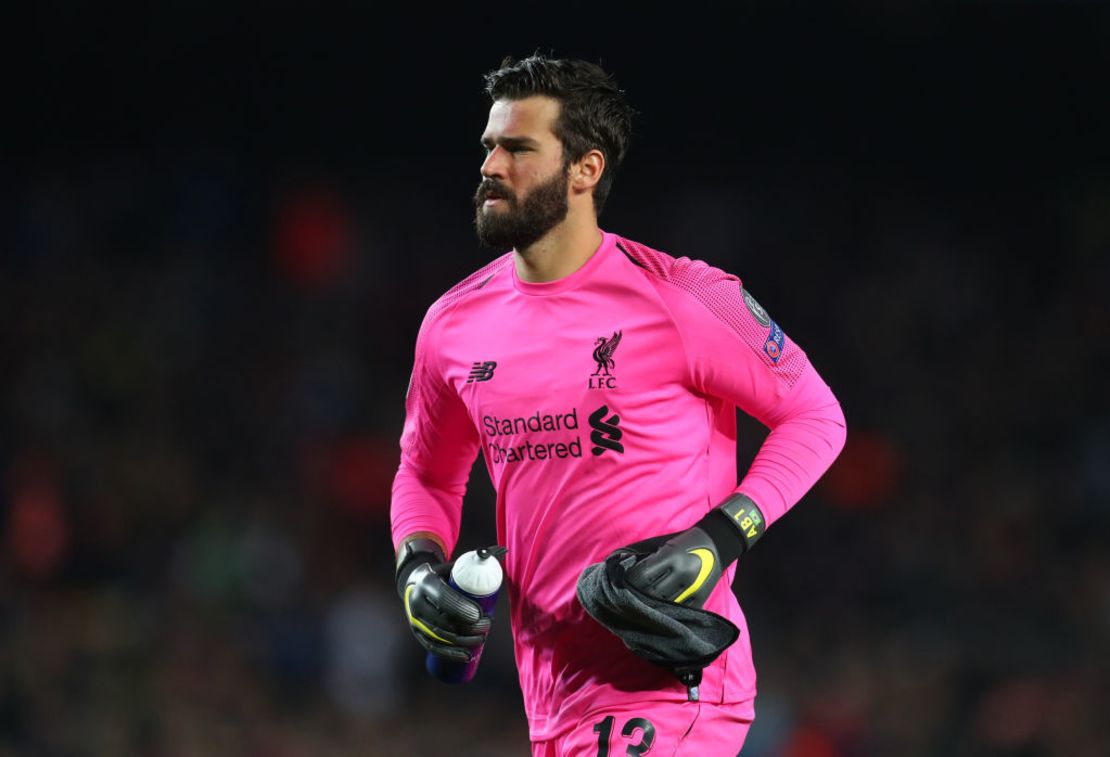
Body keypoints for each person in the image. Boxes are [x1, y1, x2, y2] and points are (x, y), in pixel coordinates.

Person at [391, 54, 847, 756]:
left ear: (585, 169)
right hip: (552, 695)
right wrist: (417, 568)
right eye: (488, 145)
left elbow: (815, 415)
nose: (490, 165)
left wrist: (720, 536)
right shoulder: (452, 324)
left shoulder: (685, 297)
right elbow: (427, 475)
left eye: (517, 148)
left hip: (669, 684)